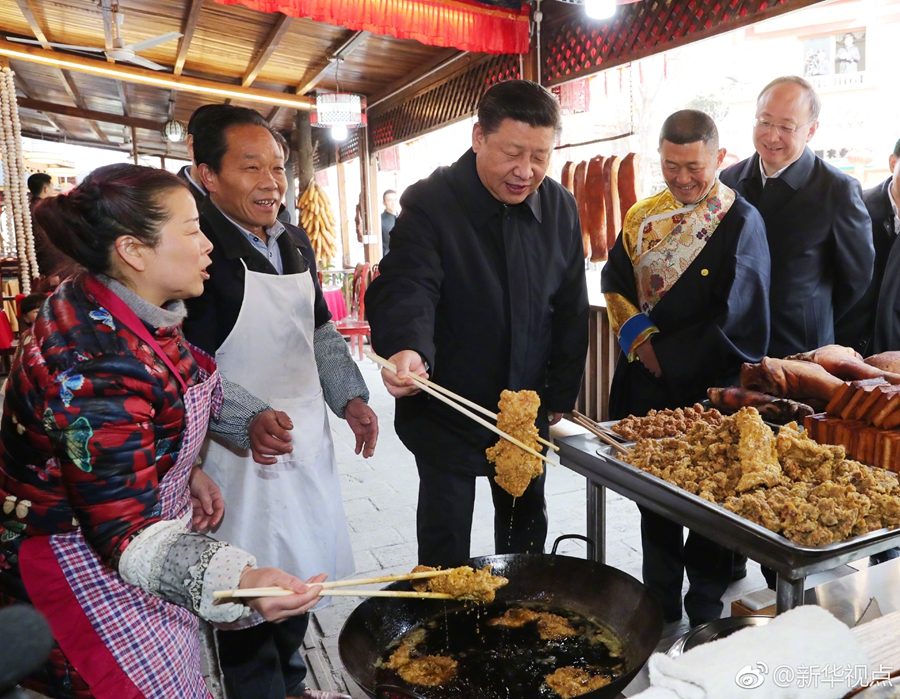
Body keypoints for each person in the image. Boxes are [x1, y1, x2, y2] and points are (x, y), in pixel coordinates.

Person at [0, 164, 327, 699]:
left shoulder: (127, 303)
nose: (208, 246)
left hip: (126, 543)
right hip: (79, 566)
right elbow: (122, 532)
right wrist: (241, 581)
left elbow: (169, 392)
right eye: (193, 229)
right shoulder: (94, 362)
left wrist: (189, 463)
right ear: (134, 251)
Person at [183, 106, 375, 699]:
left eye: (277, 167)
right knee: (241, 582)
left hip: (300, 432)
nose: (272, 181)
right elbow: (183, 357)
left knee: (301, 565)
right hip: (232, 453)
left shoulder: (292, 239)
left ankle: (291, 678)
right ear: (207, 175)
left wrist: (351, 398)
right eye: (251, 167)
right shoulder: (195, 245)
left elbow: (318, 330)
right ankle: (256, 689)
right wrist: (242, 418)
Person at [366, 80, 589, 568]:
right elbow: (409, 283)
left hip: (522, 411)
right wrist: (408, 347)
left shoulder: (559, 207)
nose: (525, 171)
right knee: (446, 538)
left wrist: (559, 396)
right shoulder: (430, 202)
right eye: (512, 152)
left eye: (540, 156)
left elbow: (572, 307)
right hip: (451, 404)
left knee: (525, 532)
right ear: (478, 137)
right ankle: (444, 630)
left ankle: (521, 621)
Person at [602, 110, 771, 627]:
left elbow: (740, 317)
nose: (681, 178)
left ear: (719, 158)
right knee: (652, 497)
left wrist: (668, 356)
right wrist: (640, 340)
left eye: (693, 166)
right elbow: (615, 282)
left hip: (707, 389)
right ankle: (658, 596)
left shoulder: (741, 220)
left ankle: (705, 603)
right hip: (644, 380)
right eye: (671, 165)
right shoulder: (640, 216)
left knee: (708, 499)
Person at [720, 76, 873, 360]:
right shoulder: (729, 180)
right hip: (735, 346)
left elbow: (856, 281)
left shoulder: (837, 190)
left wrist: (813, 314)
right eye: (764, 122)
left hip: (801, 350)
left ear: (811, 130)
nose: (771, 135)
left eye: (786, 127)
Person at [179, 104, 291, 224]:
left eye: (278, 167)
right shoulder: (172, 208)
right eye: (252, 167)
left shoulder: (281, 217)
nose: (270, 183)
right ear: (192, 146)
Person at [380, 189, 398, 255]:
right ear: (384, 202)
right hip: (387, 256)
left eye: (395, 200)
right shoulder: (380, 220)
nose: (393, 203)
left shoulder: (403, 218)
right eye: (389, 200)